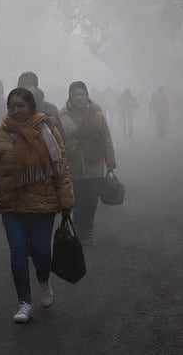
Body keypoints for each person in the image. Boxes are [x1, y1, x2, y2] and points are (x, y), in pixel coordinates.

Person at [0, 88, 74, 323]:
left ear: (31, 107)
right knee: (18, 254)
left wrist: (66, 202)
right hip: (12, 205)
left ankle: (43, 281)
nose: (15, 110)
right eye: (12, 105)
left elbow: (61, 169)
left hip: (43, 204)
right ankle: (24, 302)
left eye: (21, 105)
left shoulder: (48, 130)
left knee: (42, 252)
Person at [59, 81, 116, 245]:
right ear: (70, 96)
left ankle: (88, 227)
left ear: (87, 96)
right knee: (77, 200)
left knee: (91, 199)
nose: (79, 97)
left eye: (82, 94)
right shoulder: (62, 115)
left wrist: (110, 160)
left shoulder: (97, 114)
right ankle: (79, 230)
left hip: (94, 164)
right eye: (75, 94)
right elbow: (59, 141)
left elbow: (106, 137)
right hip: (73, 165)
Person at [17, 71, 64, 138]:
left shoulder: (50, 109)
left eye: (28, 85)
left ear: (35, 86)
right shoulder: (13, 110)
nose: (25, 88)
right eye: (22, 85)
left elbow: (61, 138)